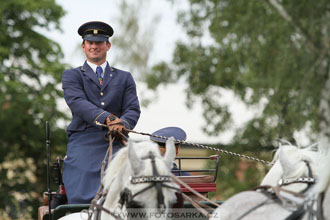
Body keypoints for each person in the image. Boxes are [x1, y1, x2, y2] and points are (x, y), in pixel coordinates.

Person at [61, 21, 141, 204]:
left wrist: (123, 124)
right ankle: (82, 209)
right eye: (90, 42)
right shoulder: (72, 75)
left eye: (99, 42)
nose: (94, 46)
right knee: (80, 169)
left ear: (108, 46)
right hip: (84, 138)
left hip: (118, 137)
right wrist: (108, 118)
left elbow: (132, 108)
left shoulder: (124, 77)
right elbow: (77, 102)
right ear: (83, 46)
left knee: (140, 171)